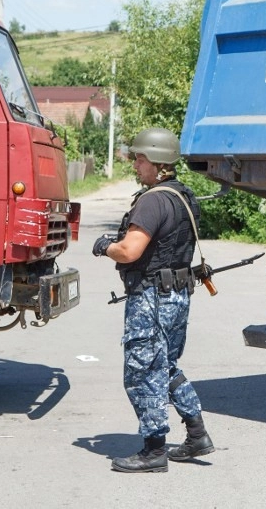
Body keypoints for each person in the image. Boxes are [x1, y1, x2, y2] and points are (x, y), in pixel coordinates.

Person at [92, 127, 214, 473]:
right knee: (167, 366)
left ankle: (153, 450)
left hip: (151, 299)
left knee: (143, 371)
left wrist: (104, 246)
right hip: (177, 296)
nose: (135, 164)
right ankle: (197, 434)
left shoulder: (153, 200)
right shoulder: (182, 196)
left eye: (140, 158)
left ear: (158, 162)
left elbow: (130, 251)